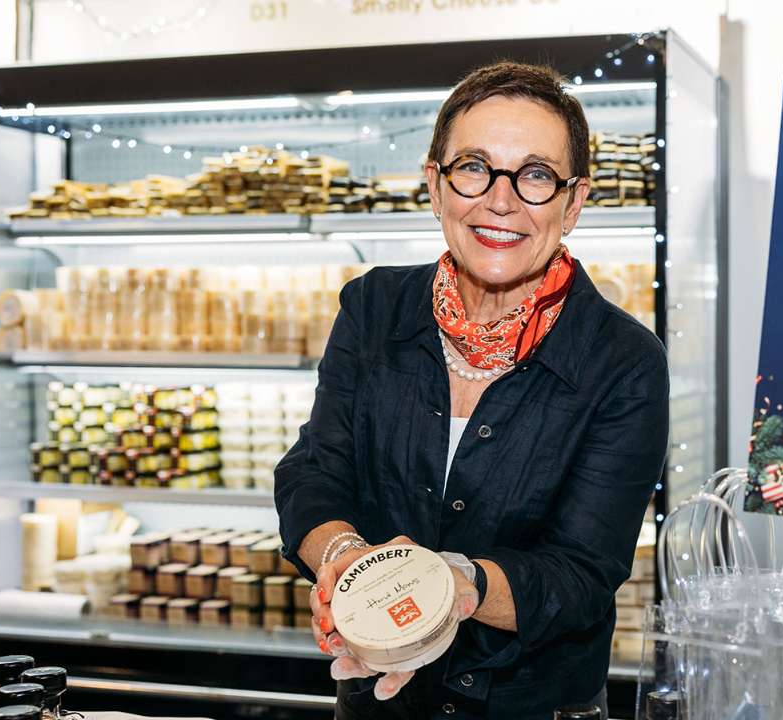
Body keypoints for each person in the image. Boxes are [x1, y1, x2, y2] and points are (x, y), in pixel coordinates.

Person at [274, 61, 669, 720]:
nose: (501, 199)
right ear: (435, 185)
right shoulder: (375, 308)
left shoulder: (623, 363)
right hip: (378, 702)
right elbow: (314, 470)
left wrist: (452, 586)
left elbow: (581, 574)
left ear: (574, 203)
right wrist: (345, 560)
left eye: (536, 175)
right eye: (474, 167)